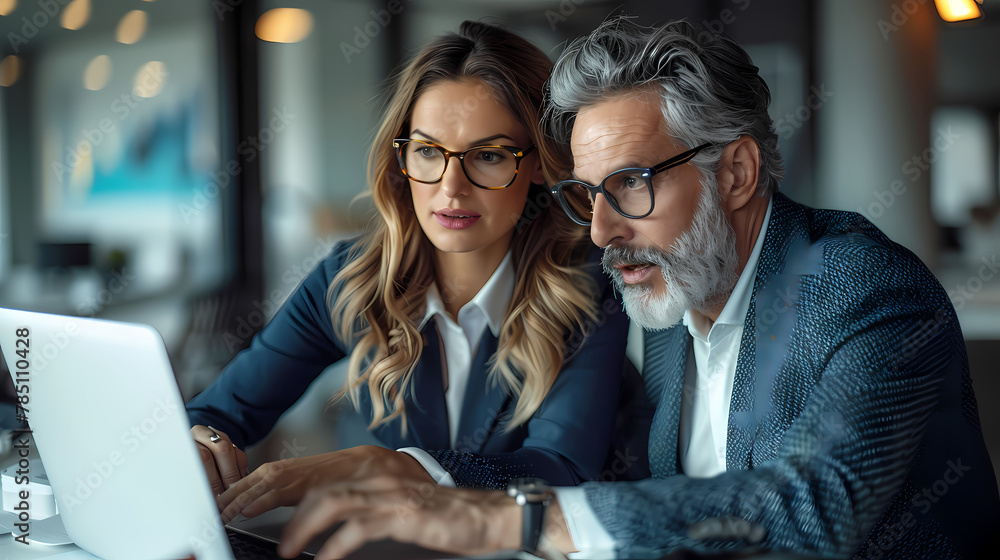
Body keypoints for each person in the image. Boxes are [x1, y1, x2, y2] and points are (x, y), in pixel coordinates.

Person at [271, 17, 1000, 560]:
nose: (599, 231)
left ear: (737, 172)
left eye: (630, 186)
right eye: (587, 194)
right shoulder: (677, 306)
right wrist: (408, 471)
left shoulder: (863, 287)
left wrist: (507, 520)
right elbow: (623, 495)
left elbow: (814, 508)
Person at [184, 20, 644, 524]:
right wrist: (199, 442)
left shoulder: (587, 285)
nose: (451, 188)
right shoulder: (351, 278)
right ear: (401, 156)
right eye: (427, 151)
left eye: (488, 156)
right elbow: (218, 413)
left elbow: (560, 470)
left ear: (538, 163)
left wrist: (384, 468)